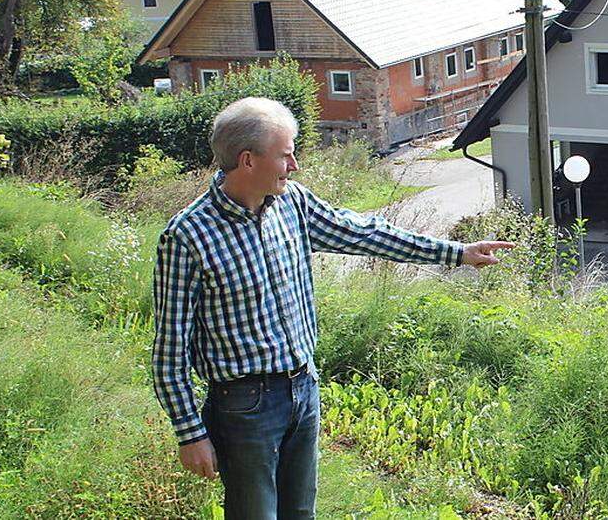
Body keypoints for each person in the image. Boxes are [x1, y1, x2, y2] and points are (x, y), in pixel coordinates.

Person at [152, 97, 511, 518]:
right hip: (243, 405)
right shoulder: (187, 235)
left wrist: (456, 252)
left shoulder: (293, 204)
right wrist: (190, 433)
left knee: (301, 513)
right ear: (247, 160)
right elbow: (169, 352)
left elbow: (364, 234)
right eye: (286, 155)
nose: (295, 165)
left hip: (304, 388)